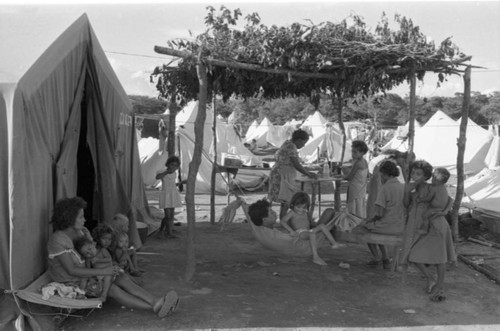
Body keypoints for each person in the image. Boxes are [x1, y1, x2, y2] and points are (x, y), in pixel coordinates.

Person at [47, 197, 179, 317]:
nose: (84, 219)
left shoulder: (80, 232)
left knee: (120, 276)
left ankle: (155, 301)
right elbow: (72, 271)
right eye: (81, 217)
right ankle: (154, 307)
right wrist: (104, 271)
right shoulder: (58, 240)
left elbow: (93, 256)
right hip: (72, 282)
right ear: (69, 218)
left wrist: (109, 268)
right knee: (111, 288)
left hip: (86, 275)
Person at [404, 161, 456, 302]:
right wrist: (408, 191)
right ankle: (432, 280)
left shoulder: (431, 187)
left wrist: (444, 211)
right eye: (413, 173)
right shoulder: (417, 187)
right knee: (416, 255)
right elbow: (406, 204)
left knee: (440, 258)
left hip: (437, 226)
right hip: (430, 226)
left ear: (426, 176)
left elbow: (450, 198)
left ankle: (438, 285)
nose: (415, 176)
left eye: (418, 174)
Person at [351, 160, 405, 269]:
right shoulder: (402, 186)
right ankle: (384, 257)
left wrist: (368, 221)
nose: (381, 178)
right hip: (399, 225)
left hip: (388, 226)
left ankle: (377, 258)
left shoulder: (385, 188)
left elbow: (379, 214)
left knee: (365, 228)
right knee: (375, 226)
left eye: (382, 176)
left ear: (385, 174)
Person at [280, 192, 345, 266]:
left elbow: (309, 223)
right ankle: (315, 257)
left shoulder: (305, 213)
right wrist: (291, 231)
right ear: (293, 204)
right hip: (299, 233)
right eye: (298, 207)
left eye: (303, 207)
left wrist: (314, 225)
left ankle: (334, 244)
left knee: (322, 226)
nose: (301, 210)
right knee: (312, 234)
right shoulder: (292, 213)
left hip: (308, 231)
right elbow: (282, 221)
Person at [268, 129, 317, 219]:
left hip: (280, 172)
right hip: (282, 175)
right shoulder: (291, 146)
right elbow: (296, 164)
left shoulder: (287, 143)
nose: (303, 145)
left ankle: (282, 219)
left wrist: (307, 172)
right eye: (303, 142)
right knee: (286, 200)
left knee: (284, 199)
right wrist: (308, 174)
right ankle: (283, 220)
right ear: (298, 140)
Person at [366, 149, 414, 219]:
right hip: (378, 171)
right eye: (407, 162)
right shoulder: (391, 160)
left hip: (375, 169)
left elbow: (404, 175)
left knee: (376, 195)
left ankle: (373, 216)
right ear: (404, 158)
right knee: (376, 195)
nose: (406, 164)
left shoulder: (394, 159)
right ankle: (373, 216)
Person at [74, 237, 115, 302]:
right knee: (84, 278)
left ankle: (104, 295)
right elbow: (88, 270)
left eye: (90, 249)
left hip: (110, 271)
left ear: (94, 244)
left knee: (108, 276)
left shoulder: (102, 250)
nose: (90, 253)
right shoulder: (88, 259)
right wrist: (90, 279)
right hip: (99, 275)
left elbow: (109, 259)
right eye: (87, 253)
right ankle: (81, 293)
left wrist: (99, 260)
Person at [416, 167, 452, 234]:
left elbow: (428, 198)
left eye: (433, 179)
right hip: (442, 208)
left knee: (424, 216)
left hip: (435, 208)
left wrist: (420, 200)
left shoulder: (434, 188)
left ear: (437, 180)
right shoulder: (443, 187)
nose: (431, 180)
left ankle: (424, 230)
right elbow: (450, 199)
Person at [155, 155, 184, 238]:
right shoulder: (162, 171)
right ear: (167, 164)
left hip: (173, 194)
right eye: (172, 165)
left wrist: (181, 183)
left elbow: (172, 184)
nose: (173, 167)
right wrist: (166, 172)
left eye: (176, 165)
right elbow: (157, 177)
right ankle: (161, 231)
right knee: (167, 215)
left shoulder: (175, 173)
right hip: (166, 194)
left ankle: (169, 232)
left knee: (171, 215)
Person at [343, 140, 369, 218]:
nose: (353, 154)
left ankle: (353, 221)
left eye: (355, 152)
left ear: (362, 153)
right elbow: (366, 175)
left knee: (353, 207)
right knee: (359, 206)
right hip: (361, 187)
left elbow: (349, 177)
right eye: (352, 152)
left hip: (355, 187)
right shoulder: (364, 161)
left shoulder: (358, 163)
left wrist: (341, 176)